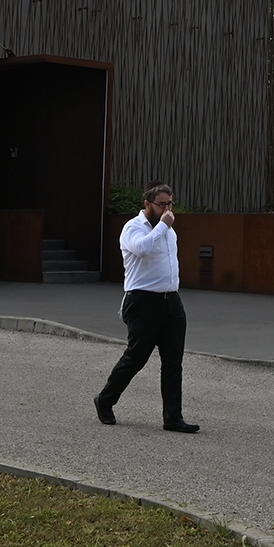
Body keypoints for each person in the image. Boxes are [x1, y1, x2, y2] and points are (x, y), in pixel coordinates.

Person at [94, 183, 198, 432]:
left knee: (173, 362)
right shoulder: (133, 227)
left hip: (171, 301)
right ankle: (105, 401)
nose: (167, 209)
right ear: (148, 204)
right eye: (162, 204)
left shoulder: (168, 231)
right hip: (142, 302)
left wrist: (164, 227)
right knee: (136, 358)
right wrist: (163, 225)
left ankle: (173, 417)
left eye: (170, 204)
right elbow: (142, 249)